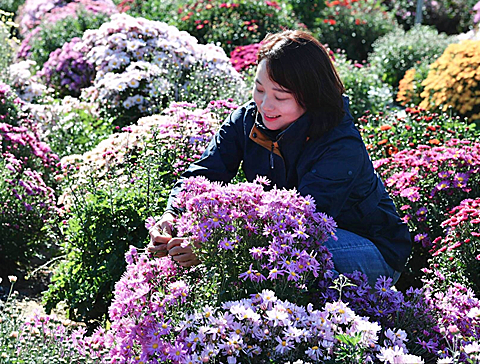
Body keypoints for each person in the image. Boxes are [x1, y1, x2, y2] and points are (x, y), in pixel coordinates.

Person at [147, 30, 411, 284]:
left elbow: (304, 225)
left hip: (370, 248)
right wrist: (173, 215)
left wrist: (214, 246)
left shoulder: (339, 143)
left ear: (312, 96)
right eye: (259, 89)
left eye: (281, 96)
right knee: (261, 256)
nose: (265, 105)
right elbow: (204, 173)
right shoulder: (247, 119)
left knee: (285, 258)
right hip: (288, 232)